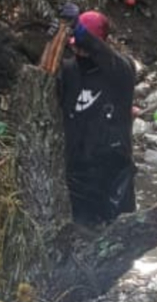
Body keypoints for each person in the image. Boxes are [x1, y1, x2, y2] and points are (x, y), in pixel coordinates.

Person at [58, 4, 137, 226]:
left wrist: (81, 33)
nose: (80, 51)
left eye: (86, 46)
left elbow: (102, 54)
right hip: (78, 174)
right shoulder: (69, 71)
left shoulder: (121, 71)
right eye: (76, 46)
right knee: (84, 237)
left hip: (114, 175)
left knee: (121, 237)